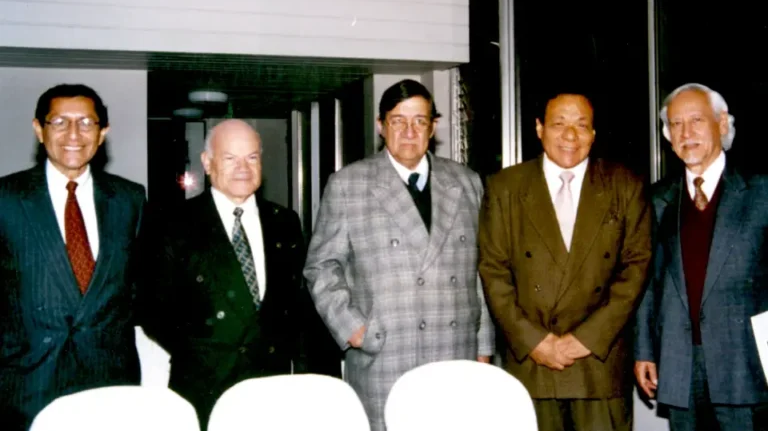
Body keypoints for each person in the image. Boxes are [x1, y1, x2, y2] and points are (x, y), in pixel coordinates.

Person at [303, 79, 494, 431]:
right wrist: (354, 329)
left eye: (419, 121)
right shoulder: (349, 184)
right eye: (398, 121)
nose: (409, 132)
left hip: (454, 354)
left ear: (433, 127)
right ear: (381, 125)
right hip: (386, 354)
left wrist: (483, 344)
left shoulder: (466, 182)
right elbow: (321, 267)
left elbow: (480, 271)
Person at [143, 119, 339, 429]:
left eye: (252, 157)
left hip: (271, 390)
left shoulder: (284, 222)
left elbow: (301, 308)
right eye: (230, 158)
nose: (243, 168)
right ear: (207, 163)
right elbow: (153, 308)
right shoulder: (173, 223)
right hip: (205, 388)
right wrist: (206, 348)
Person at [478, 88, 652, 431]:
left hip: (598, 364)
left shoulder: (624, 185)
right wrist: (536, 342)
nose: (570, 135)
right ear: (539, 128)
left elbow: (635, 271)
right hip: (531, 362)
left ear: (593, 134)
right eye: (559, 124)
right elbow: (493, 272)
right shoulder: (505, 187)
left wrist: (584, 340)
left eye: (581, 125)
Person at [0, 84, 147, 430]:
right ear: (39, 129)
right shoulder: (5, 199)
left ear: (102, 133)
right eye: (59, 122)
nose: (73, 134)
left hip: (109, 383)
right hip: (27, 385)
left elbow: (137, 287)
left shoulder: (130, 199)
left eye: (86, 122)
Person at [634, 83, 768, 430]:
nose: (686, 133)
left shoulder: (761, 192)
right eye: (676, 124)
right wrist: (645, 350)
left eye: (696, 120)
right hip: (679, 365)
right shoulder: (658, 200)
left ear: (722, 124)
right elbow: (648, 283)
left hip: (745, 366)